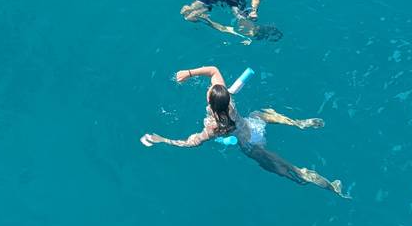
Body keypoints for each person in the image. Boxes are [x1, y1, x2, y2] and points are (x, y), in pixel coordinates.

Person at [140, 65, 346, 196]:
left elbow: (190, 142)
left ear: (210, 104)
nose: (208, 89)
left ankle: (310, 180)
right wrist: (191, 72)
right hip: (252, 125)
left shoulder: (213, 128)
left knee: (283, 168)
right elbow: (213, 70)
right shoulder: (229, 102)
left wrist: (163, 139)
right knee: (261, 113)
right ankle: (297, 123)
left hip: (252, 146)